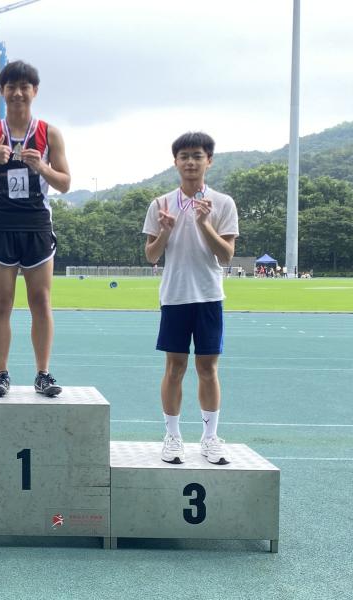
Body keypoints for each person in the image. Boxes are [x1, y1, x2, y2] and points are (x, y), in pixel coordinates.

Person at [0, 60, 71, 398]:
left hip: (36, 223)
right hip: (2, 223)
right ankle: (1, 373)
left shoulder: (49, 133)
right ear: (2, 91)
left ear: (34, 91)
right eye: (11, 87)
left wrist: (43, 167)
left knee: (40, 300)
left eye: (25, 87)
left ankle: (43, 373)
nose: (18, 92)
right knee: (2, 301)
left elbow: (65, 183)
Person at [142, 132, 239, 465]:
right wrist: (166, 229)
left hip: (209, 296)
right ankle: (172, 436)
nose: (190, 162)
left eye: (197, 156)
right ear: (175, 162)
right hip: (175, 295)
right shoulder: (160, 204)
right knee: (174, 368)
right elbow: (152, 256)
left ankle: (210, 438)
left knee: (208, 368)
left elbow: (226, 256)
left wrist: (204, 223)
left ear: (209, 160)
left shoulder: (223, 203)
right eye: (184, 156)